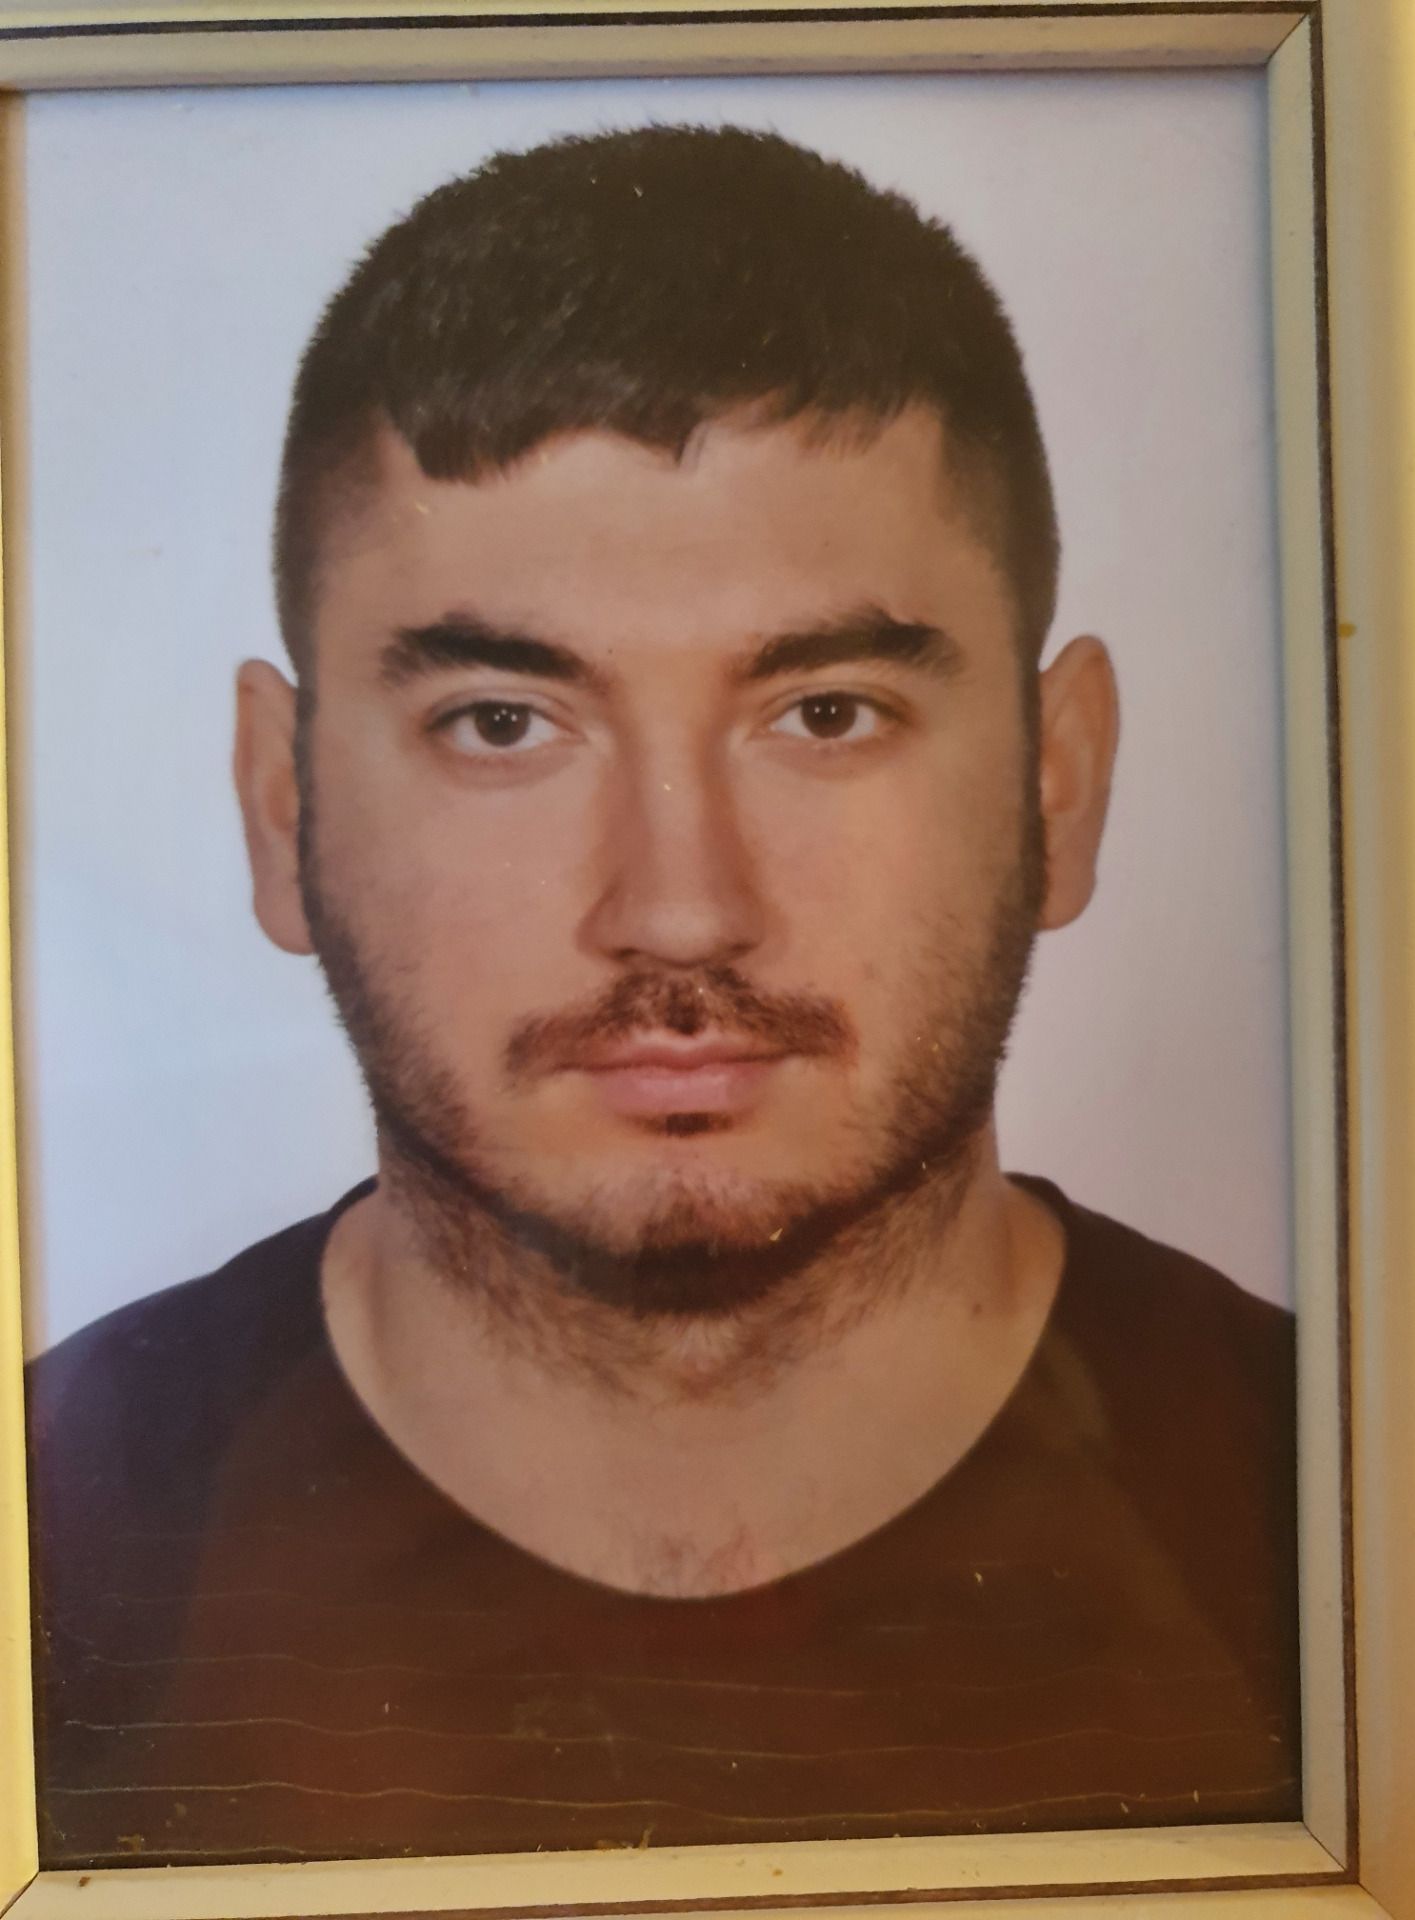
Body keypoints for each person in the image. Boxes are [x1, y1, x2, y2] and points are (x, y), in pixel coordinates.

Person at [26, 124, 1299, 1869]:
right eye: (502, 723)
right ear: (281, 809)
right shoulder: (46, 1542)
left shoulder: (1364, 1513)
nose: (680, 908)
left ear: (1058, 786)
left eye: (827, 714)